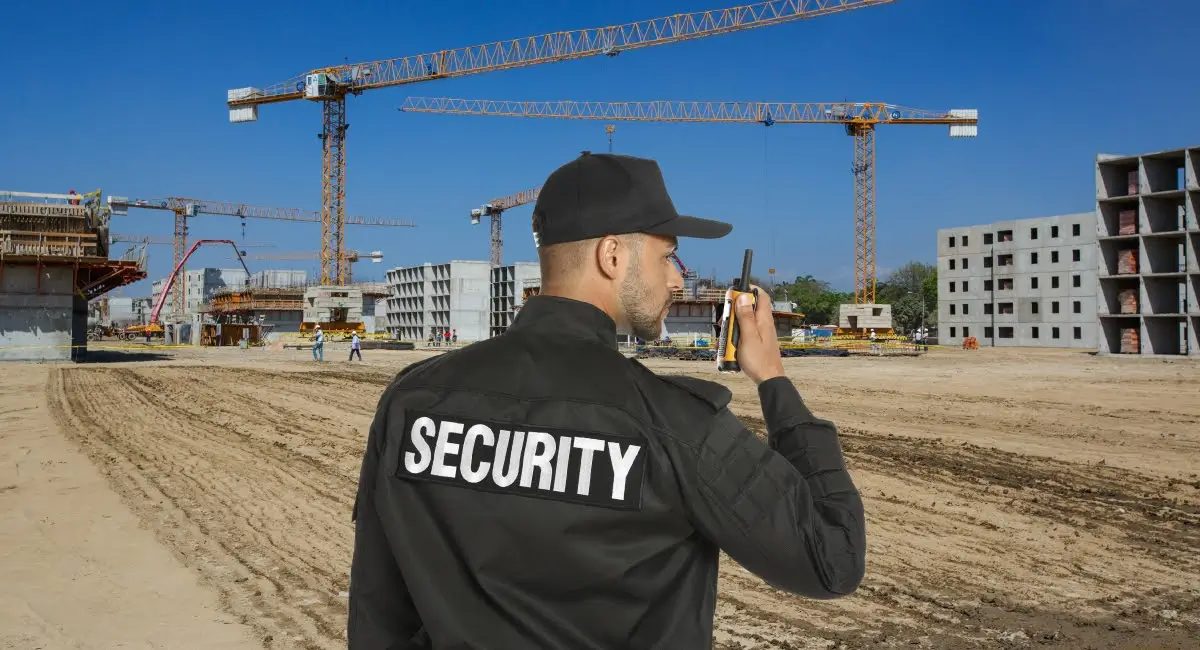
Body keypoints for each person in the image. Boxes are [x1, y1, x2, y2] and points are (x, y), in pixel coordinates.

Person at [348, 152, 866, 649]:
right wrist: (773, 378)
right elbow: (831, 559)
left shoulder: (411, 399)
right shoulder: (674, 421)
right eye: (667, 255)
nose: (677, 278)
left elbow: (379, 610)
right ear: (612, 255)